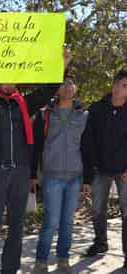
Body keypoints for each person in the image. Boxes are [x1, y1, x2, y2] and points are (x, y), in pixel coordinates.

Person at [0, 48, 73, 274]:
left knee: (16, 227)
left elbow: (47, 91)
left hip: (20, 173)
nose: (8, 81)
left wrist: (62, 66)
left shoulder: (25, 103)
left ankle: (10, 269)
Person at [31, 78, 87, 274]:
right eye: (63, 83)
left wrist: (87, 178)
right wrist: (33, 174)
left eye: (71, 83)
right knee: (51, 221)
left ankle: (63, 259)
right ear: (56, 90)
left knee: (68, 221)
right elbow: (36, 146)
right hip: (52, 176)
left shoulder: (83, 115)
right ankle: (41, 261)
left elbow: (87, 147)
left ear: (76, 88)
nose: (68, 87)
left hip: (74, 176)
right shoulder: (45, 115)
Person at [81, 69, 127, 267]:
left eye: (125, 86)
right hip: (100, 169)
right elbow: (87, 141)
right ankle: (100, 243)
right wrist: (88, 173)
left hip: (124, 170)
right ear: (113, 84)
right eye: (119, 83)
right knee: (98, 210)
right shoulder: (97, 108)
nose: (120, 88)